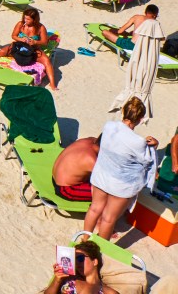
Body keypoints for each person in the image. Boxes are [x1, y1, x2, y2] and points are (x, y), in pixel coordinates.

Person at [83, 97, 158, 240]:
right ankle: (98, 250)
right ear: (141, 119)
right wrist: (154, 145)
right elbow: (147, 161)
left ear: (123, 111)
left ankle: (84, 239)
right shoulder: (138, 142)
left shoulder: (109, 126)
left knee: (94, 209)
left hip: (102, 176)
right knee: (108, 218)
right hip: (121, 185)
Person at [0, 8, 57, 90]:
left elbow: (44, 42)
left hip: (33, 50)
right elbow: (13, 36)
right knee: (1, 52)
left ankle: (52, 84)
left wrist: (35, 42)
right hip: (18, 47)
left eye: (28, 19)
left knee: (47, 62)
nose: (25, 20)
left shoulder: (40, 27)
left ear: (34, 20)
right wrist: (21, 39)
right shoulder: (20, 24)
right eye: (25, 18)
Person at [42, 240, 119, 294]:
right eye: (74, 260)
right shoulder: (69, 279)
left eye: (80, 258)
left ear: (95, 262)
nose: (77, 263)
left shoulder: (109, 292)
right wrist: (57, 280)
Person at [52, 136, 100, 202]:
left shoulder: (89, 140)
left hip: (57, 177)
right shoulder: (91, 160)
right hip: (66, 189)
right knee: (110, 194)